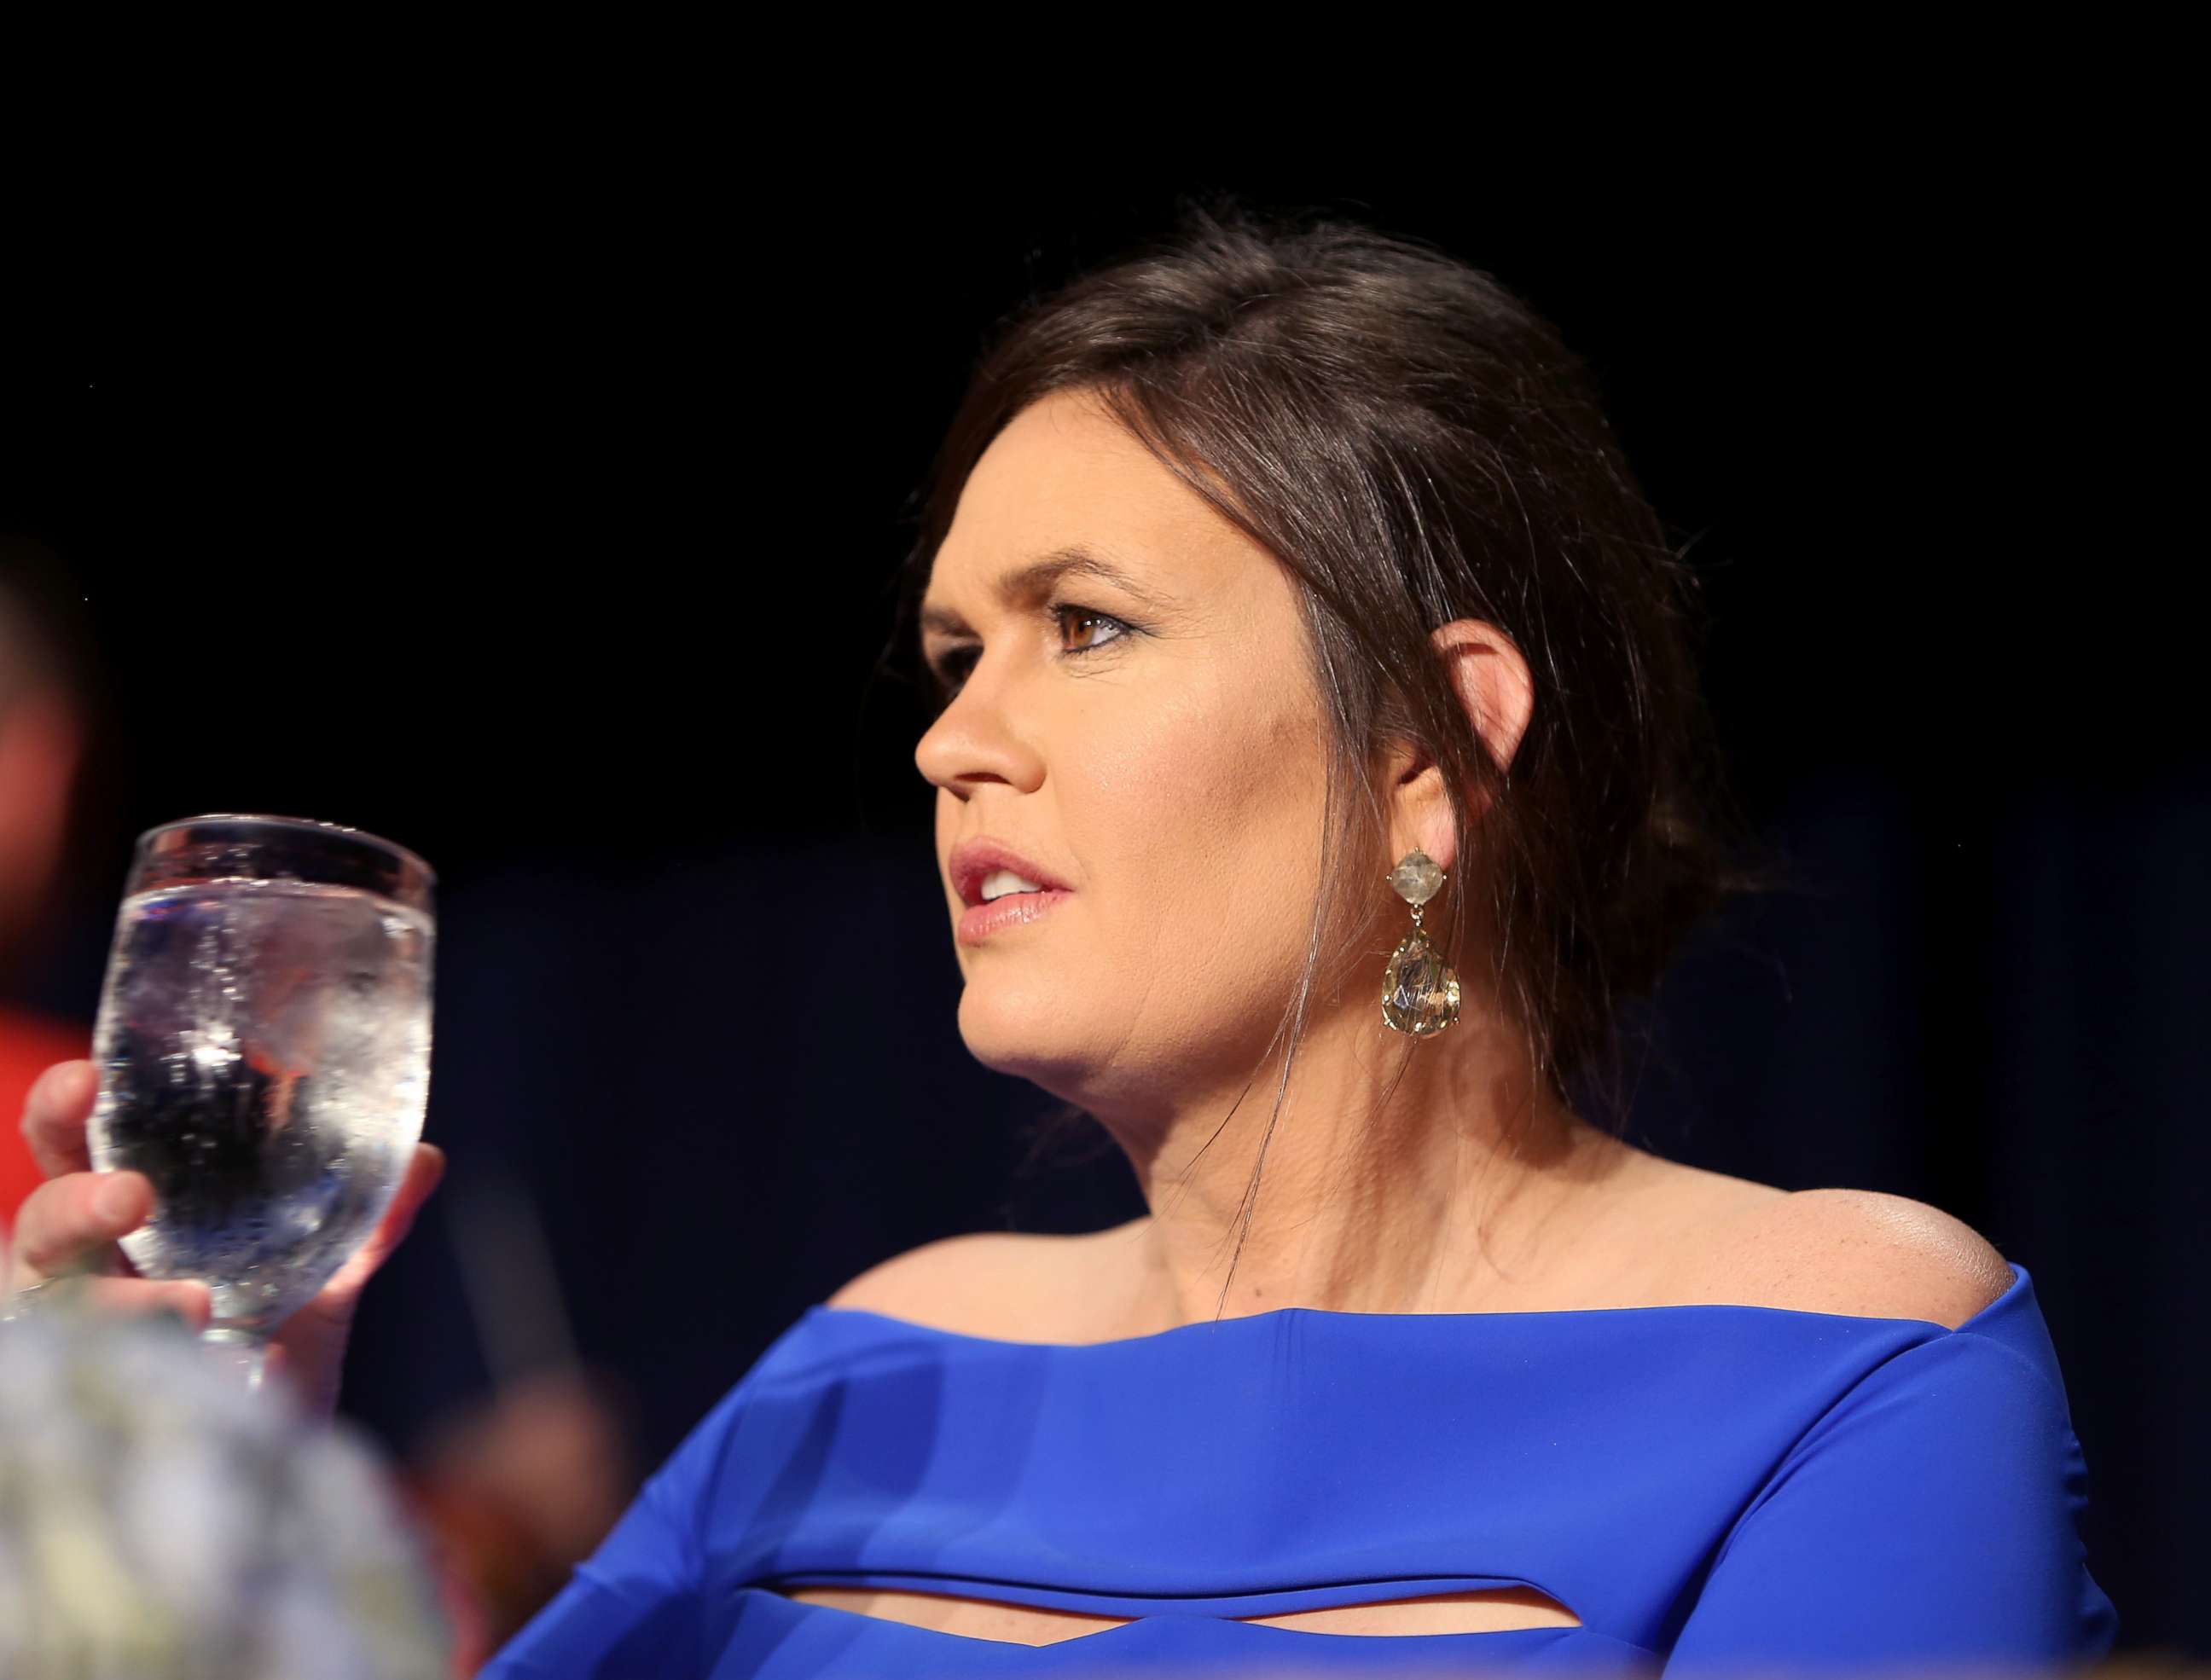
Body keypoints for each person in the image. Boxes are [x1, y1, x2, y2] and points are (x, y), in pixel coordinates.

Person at [11, 197, 2121, 1675]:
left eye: (1083, 629)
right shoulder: (883, 1364)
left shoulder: (1844, 1361)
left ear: (1434, 748)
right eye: (949, 652)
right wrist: (212, 1460)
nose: (953, 737)